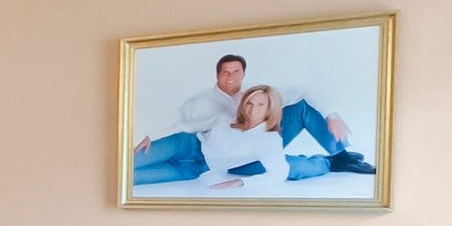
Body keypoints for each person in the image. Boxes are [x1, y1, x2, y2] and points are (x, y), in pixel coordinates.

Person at [132, 52, 375, 186]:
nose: (230, 76)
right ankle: (326, 162)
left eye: (236, 71)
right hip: (210, 151)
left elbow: (304, 92)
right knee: (129, 169)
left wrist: (331, 115)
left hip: (243, 151)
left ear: (244, 73)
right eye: (225, 72)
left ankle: (337, 157)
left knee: (301, 115)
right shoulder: (205, 106)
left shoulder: (258, 94)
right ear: (217, 74)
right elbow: (185, 126)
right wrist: (152, 135)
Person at [193, 86, 290, 194]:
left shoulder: (269, 139)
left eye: (261, 105)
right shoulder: (229, 116)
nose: (253, 109)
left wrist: (240, 182)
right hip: (190, 145)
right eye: (249, 103)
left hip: (199, 167)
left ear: (270, 109)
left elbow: (279, 173)